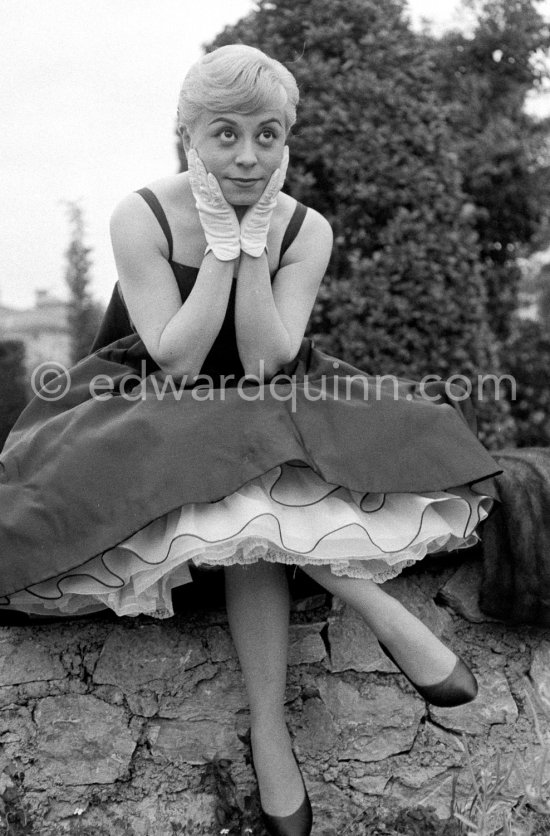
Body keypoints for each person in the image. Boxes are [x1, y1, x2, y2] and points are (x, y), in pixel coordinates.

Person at [0, 45, 501, 836]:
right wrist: (223, 249)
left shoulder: (308, 229)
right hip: (155, 401)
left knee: (254, 475)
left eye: (268, 135)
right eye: (224, 135)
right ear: (186, 138)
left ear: (288, 140)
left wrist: (260, 240)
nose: (247, 154)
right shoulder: (144, 214)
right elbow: (178, 357)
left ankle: (270, 733)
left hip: (274, 399)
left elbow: (267, 360)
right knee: (230, 457)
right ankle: (378, 614)